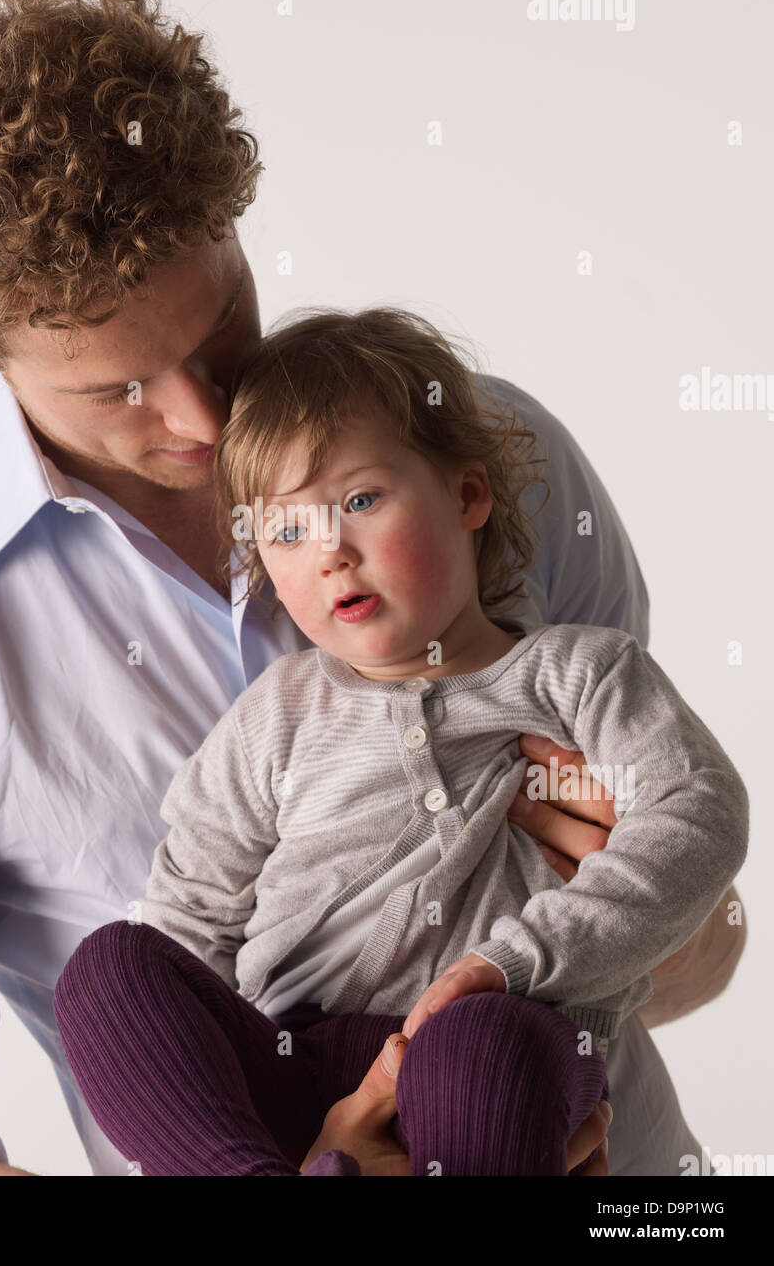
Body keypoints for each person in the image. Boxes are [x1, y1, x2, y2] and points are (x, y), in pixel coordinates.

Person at [0, 0, 744, 1178]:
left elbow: (710, 940)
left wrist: (595, 918)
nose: (202, 417)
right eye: (117, 389)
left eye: (223, 322)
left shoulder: (487, 452)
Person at [52, 308, 749, 1176]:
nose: (331, 552)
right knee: (110, 967)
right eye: (289, 529)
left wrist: (513, 963)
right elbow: (188, 921)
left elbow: (697, 810)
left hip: (505, 1039)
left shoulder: (578, 671)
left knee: (479, 1049)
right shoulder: (275, 716)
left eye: (358, 500)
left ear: (466, 496)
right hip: (295, 1065)